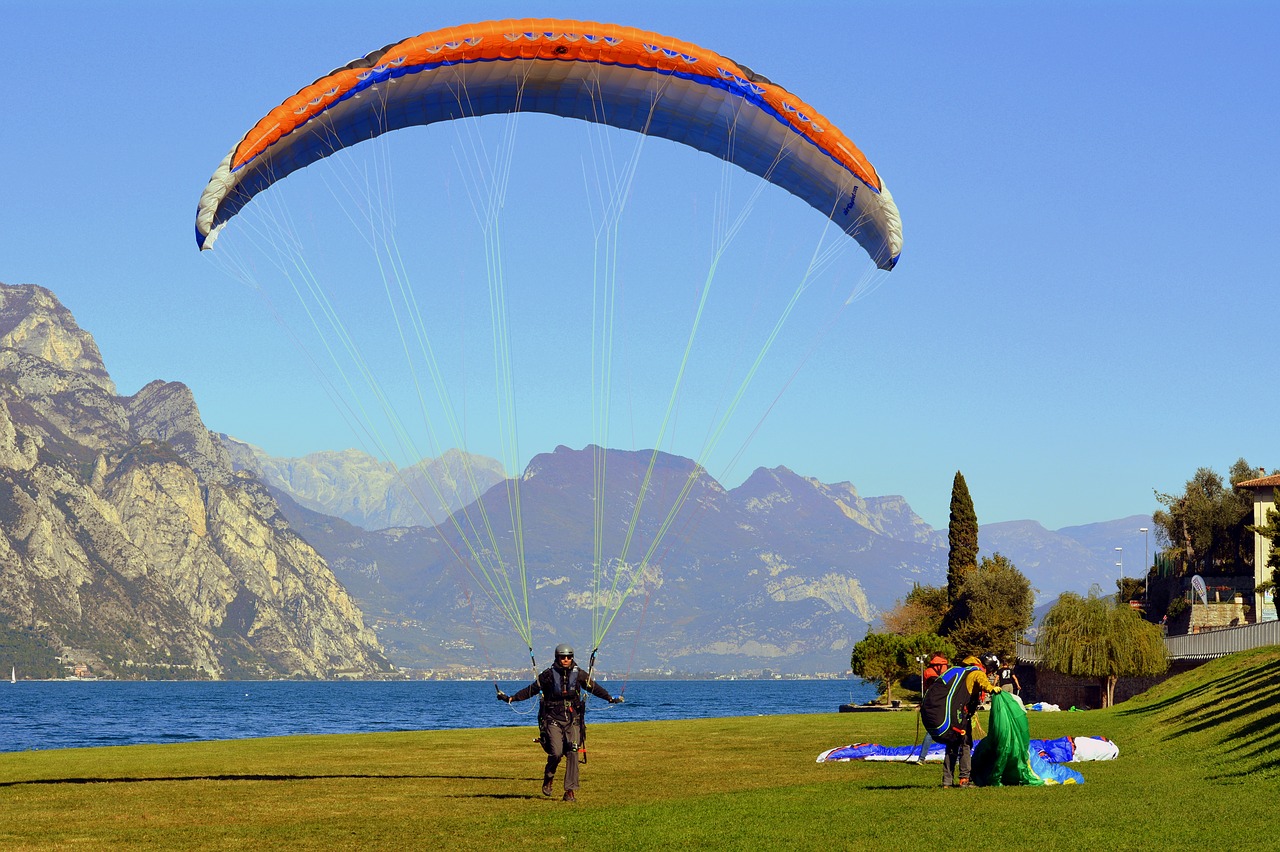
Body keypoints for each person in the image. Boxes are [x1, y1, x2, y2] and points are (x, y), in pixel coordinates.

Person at [497, 643, 623, 802]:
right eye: (563, 657)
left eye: (569, 657)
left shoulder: (579, 675)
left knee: (573, 751)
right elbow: (531, 690)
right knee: (556, 752)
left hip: (573, 719)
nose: (566, 659)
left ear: (572, 658)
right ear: (557, 657)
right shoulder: (548, 675)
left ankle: (570, 791)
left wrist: (609, 698)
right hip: (553, 718)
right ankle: (549, 777)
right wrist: (512, 699)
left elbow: (594, 688)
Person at [939, 654, 1001, 788]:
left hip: (952, 714)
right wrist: (991, 688)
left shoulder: (964, 669)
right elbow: (982, 681)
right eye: (991, 671)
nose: (990, 674)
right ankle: (964, 779)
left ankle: (947, 782)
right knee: (965, 745)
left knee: (952, 746)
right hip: (962, 715)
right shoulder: (976, 672)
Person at [909, 653, 951, 765]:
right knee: (952, 730)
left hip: (931, 703)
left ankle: (921, 758)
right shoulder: (948, 670)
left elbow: (926, 687)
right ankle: (953, 756)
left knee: (931, 731)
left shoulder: (928, 672)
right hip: (946, 703)